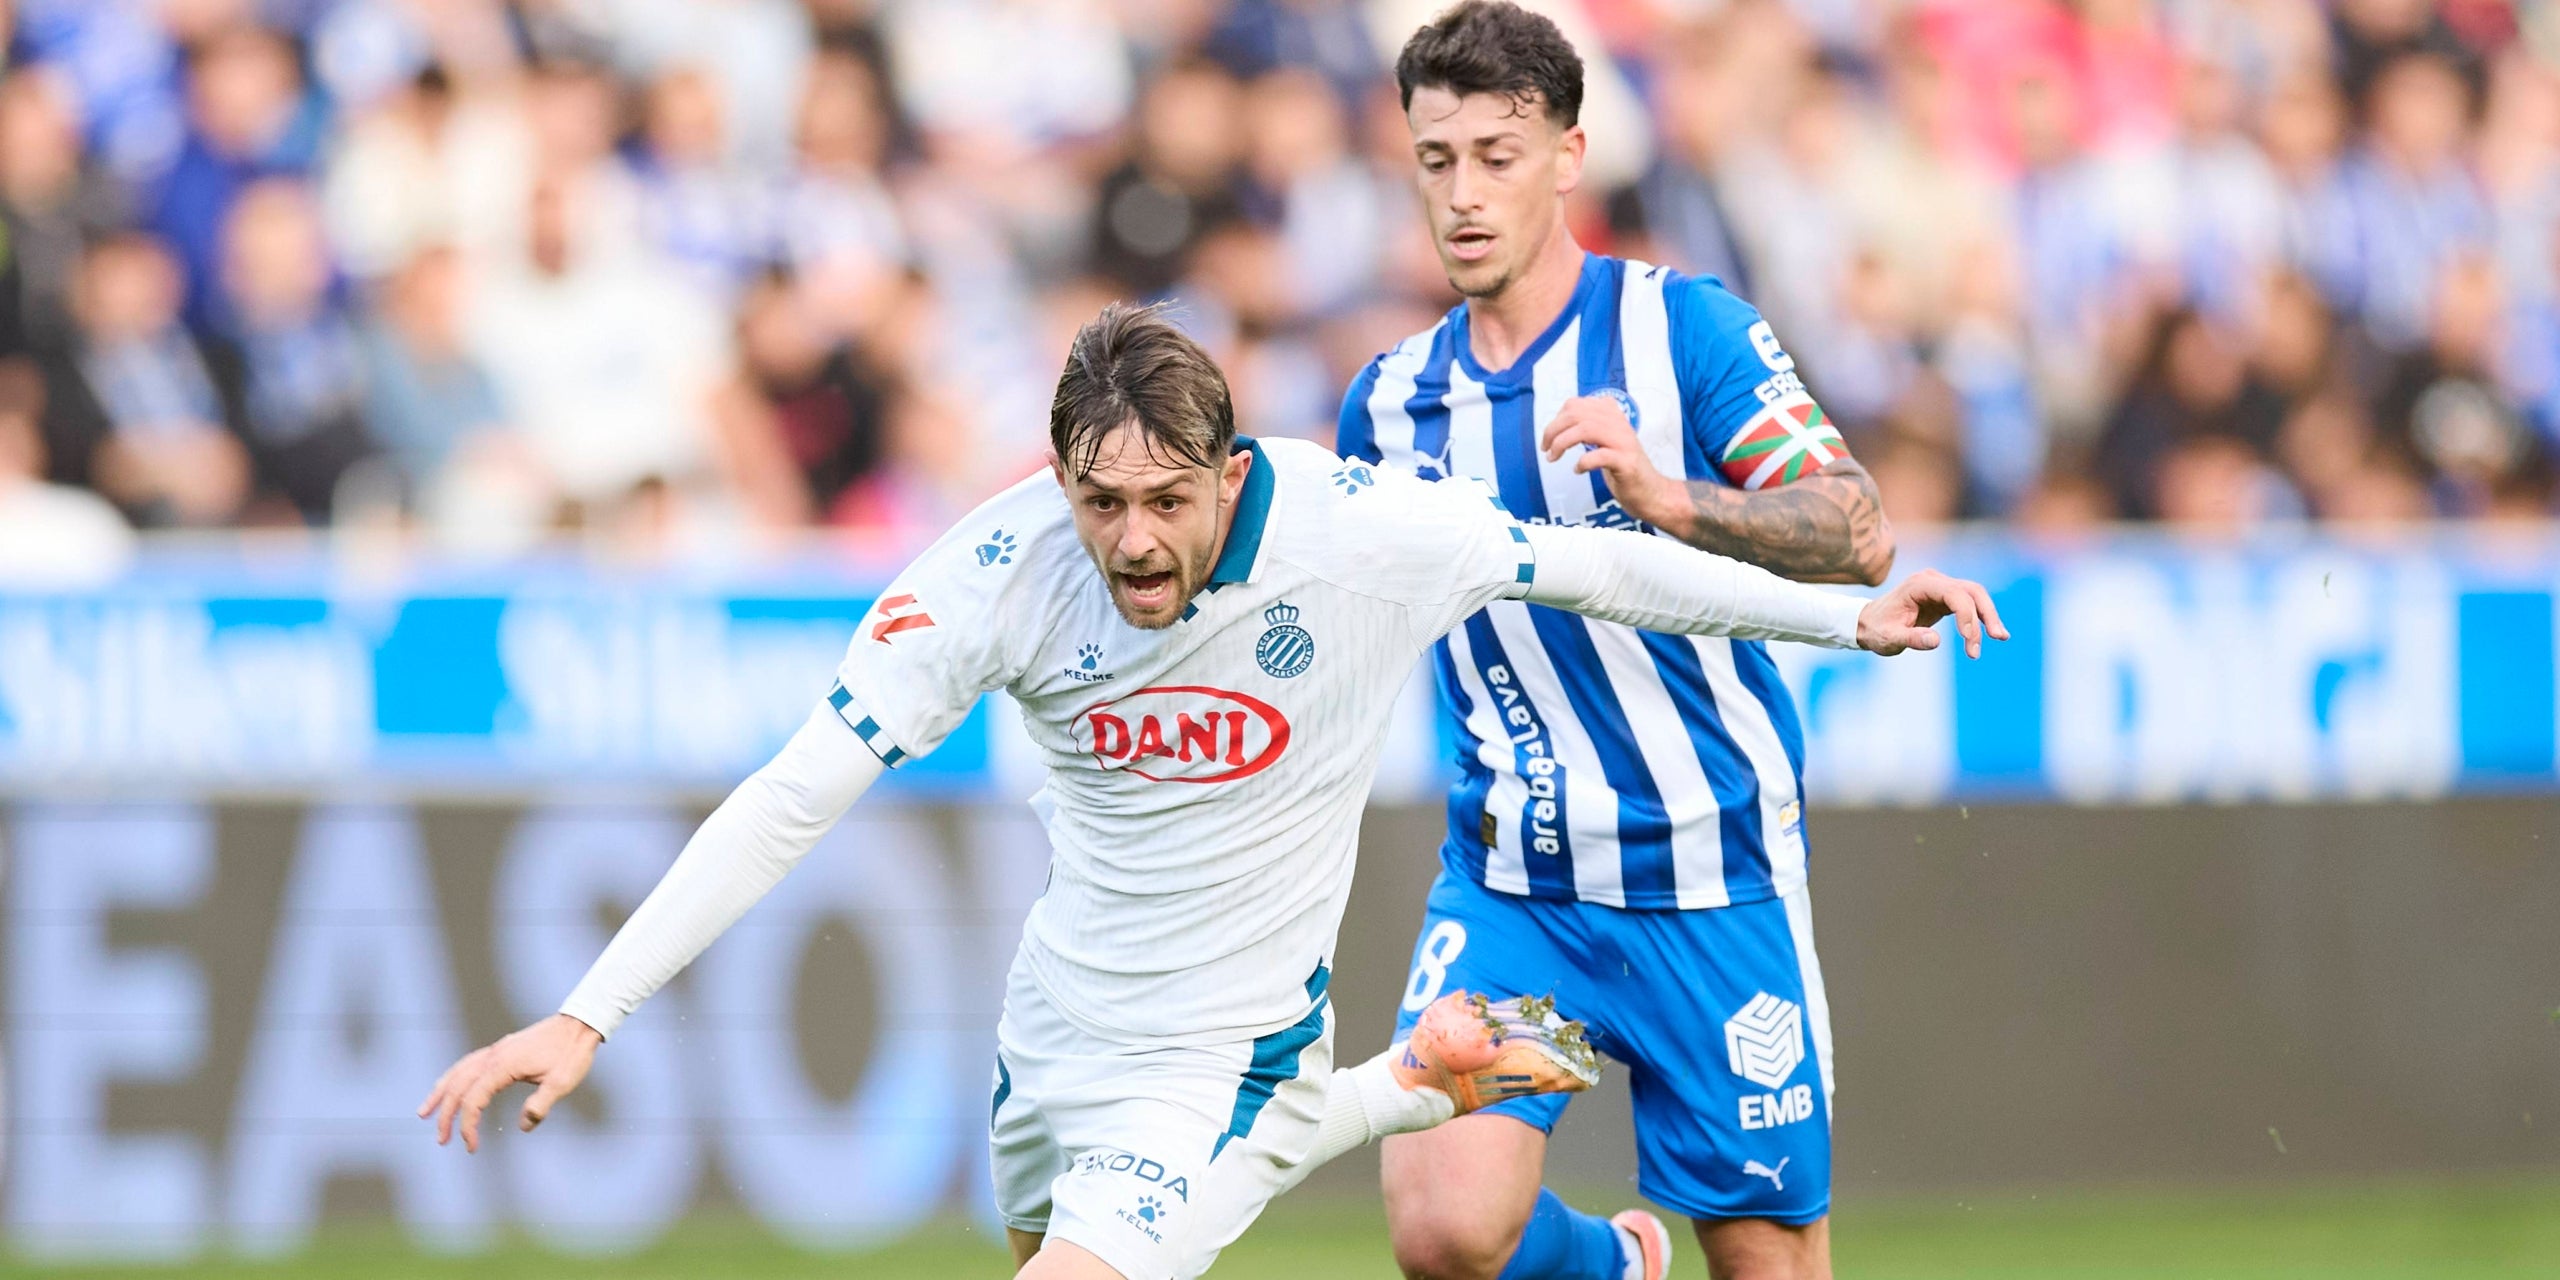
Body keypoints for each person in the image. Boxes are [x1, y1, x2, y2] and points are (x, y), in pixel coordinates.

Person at [420, 304, 2000, 1280]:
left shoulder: (1360, 531)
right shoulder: (994, 573)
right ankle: (1406, 1093)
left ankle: (1399, 1098)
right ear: (1058, 479)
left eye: (1168, 499)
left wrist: (1844, 620)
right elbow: (793, 794)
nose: (1134, 540)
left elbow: (1597, 569)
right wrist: (588, 1015)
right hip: (1052, 1039)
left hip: (1223, 1056)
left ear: (1231, 472)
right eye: (1099, 501)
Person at [1336, 6, 1900, 1279]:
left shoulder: (1681, 329)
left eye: (1496, 156)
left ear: (1568, 157)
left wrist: (1669, 498)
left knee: (1766, 1259)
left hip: (1710, 872)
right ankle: (1617, 1268)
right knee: (1442, 1229)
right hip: (1515, 883)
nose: (1463, 194)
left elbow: (1858, 530)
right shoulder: (1386, 404)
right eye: (1436, 161)